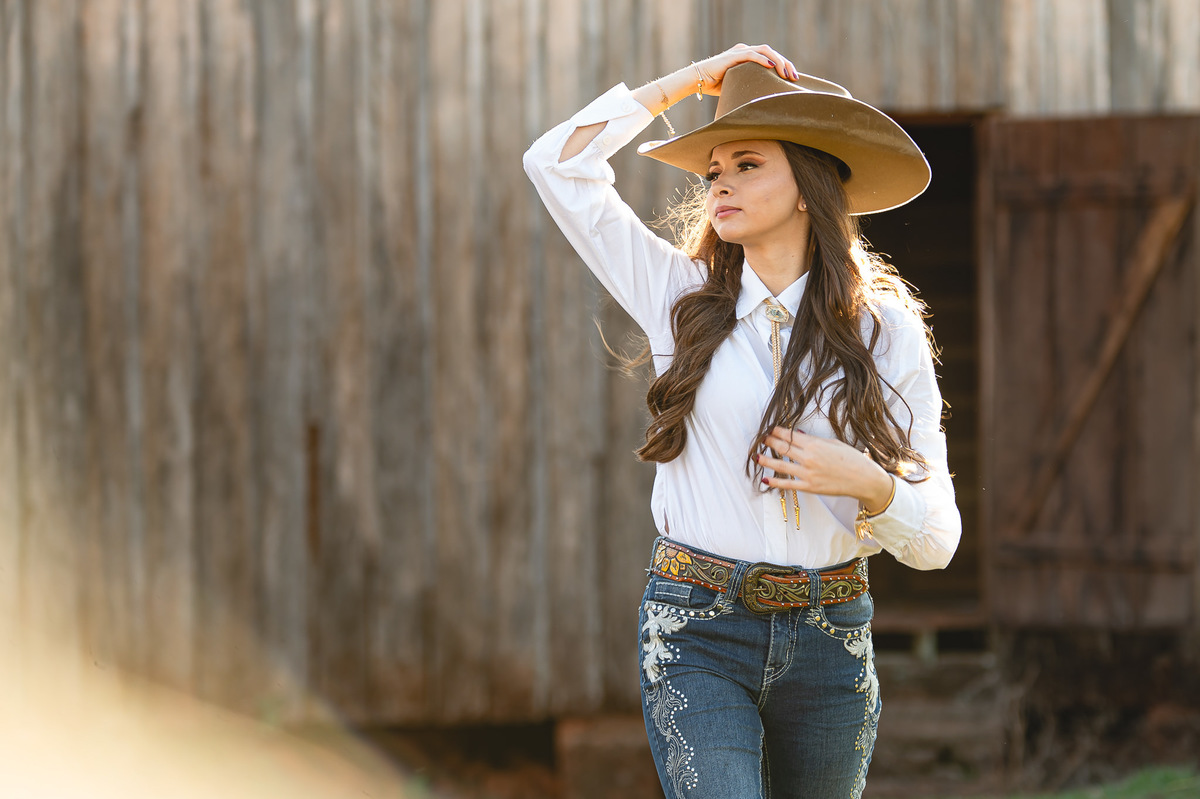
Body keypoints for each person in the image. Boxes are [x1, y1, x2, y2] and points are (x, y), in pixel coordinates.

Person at [523, 44, 961, 799]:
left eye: (747, 163)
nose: (719, 179)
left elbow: (939, 541)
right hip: (697, 630)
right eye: (713, 167)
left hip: (832, 637)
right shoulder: (675, 293)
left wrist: (868, 484)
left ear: (807, 186)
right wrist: (693, 81)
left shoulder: (886, 330)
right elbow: (554, 165)